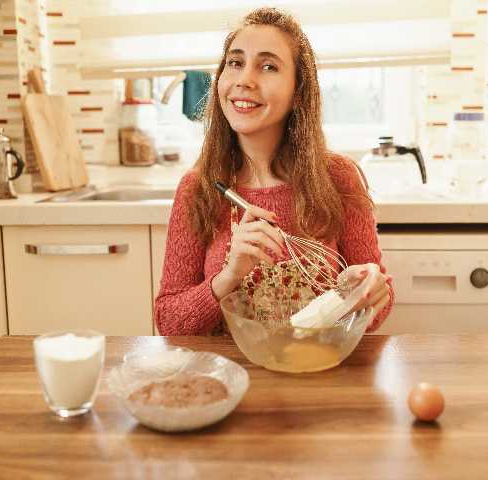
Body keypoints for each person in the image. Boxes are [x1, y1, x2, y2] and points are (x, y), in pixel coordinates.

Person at [155, 7, 393, 336]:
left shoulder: (339, 178)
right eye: (235, 63)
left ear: (298, 92)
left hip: (317, 371)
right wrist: (228, 277)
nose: (244, 80)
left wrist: (365, 291)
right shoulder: (198, 188)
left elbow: (377, 306)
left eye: (268, 66)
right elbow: (169, 322)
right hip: (229, 376)